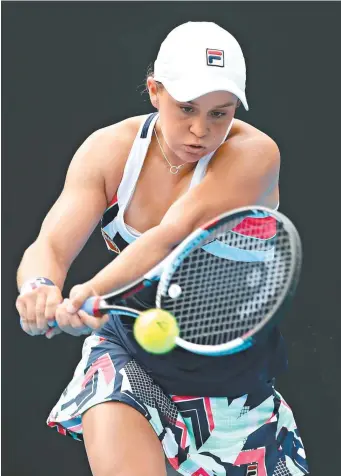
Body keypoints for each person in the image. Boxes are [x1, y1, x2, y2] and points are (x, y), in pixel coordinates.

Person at [16, 21, 309, 476]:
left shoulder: (256, 154)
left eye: (220, 112)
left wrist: (90, 292)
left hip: (234, 384)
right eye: (186, 107)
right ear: (155, 90)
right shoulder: (109, 152)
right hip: (128, 357)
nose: (200, 129)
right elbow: (51, 244)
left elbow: (175, 233)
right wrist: (40, 287)